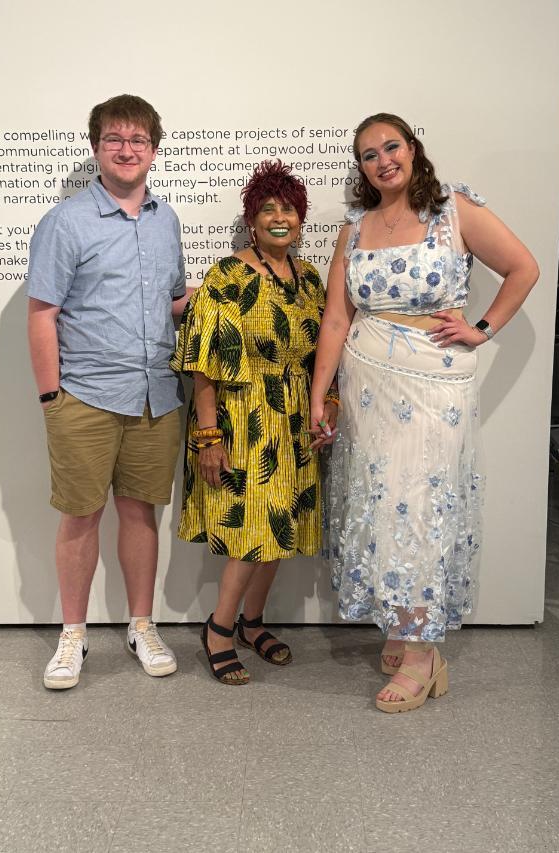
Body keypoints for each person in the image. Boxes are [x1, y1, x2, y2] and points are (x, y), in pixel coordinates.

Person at [310, 113, 538, 712]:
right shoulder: (355, 226)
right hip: (366, 381)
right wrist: (319, 393)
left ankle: (421, 652)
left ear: (413, 150)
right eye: (368, 155)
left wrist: (483, 328)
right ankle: (403, 623)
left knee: (421, 505)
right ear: (360, 168)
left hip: (434, 382)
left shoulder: (453, 209)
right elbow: (336, 318)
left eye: (392, 147)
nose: (383, 160)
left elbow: (524, 268)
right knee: (380, 502)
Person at [27, 94, 189, 690]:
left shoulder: (167, 220)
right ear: (96, 147)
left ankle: (140, 624)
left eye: (138, 140)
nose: (127, 150)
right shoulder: (64, 222)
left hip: (155, 396)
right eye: (115, 139)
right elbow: (42, 314)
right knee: (80, 517)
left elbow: (170, 301)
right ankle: (73, 634)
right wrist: (52, 400)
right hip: (85, 397)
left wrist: (224, 286)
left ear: (153, 149)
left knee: (139, 513)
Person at [171, 161, 338, 684]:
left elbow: (326, 353)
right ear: (252, 220)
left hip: (294, 422)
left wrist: (326, 403)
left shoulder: (310, 279)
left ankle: (252, 621)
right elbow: (202, 363)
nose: (280, 217)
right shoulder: (227, 275)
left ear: (301, 218)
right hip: (241, 420)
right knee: (249, 534)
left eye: (288, 208)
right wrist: (207, 438)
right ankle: (218, 630)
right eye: (268, 209)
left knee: (280, 530)